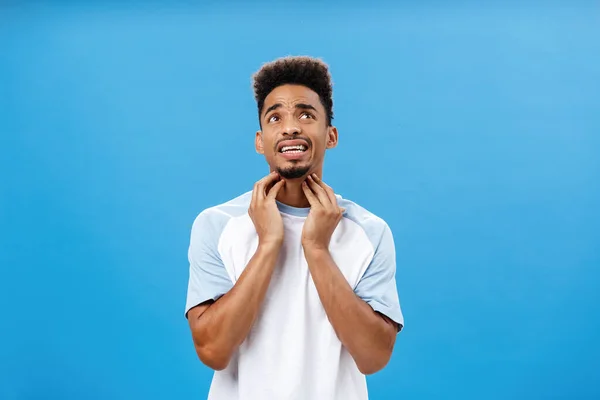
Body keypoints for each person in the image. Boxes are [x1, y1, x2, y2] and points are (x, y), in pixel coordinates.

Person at [184, 56, 404, 400]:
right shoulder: (217, 225)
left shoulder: (369, 232)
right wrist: (269, 242)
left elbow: (374, 357)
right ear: (260, 141)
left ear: (330, 135)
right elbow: (213, 350)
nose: (290, 127)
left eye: (306, 114)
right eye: (275, 117)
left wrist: (316, 249)